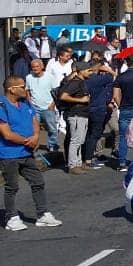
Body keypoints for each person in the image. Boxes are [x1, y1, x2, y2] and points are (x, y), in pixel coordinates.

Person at [1, 75, 61, 231]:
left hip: (27, 153)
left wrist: (35, 137)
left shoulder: (25, 103)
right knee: (12, 186)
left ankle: (42, 214)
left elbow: (35, 121)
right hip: (9, 154)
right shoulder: (3, 106)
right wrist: (27, 141)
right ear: (12, 89)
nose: (25, 89)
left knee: (38, 182)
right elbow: (7, 134)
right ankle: (11, 217)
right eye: (22, 87)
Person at [57, 62, 93, 174]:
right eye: (88, 70)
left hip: (83, 114)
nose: (90, 73)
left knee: (80, 140)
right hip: (76, 115)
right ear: (81, 71)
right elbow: (63, 96)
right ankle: (72, 165)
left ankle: (78, 163)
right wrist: (81, 100)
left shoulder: (81, 82)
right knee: (76, 140)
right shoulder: (75, 83)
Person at [82, 60, 116, 169]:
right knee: (95, 134)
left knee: (88, 133)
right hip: (98, 109)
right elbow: (114, 76)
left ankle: (86, 157)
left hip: (87, 108)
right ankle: (88, 160)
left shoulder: (86, 79)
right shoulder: (99, 79)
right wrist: (109, 70)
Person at [24, 59, 59, 155]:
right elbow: (27, 91)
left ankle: (52, 145)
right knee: (34, 128)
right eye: (33, 67)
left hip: (48, 106)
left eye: (37, 66)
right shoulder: (29, 77)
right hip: (34, 107)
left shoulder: (50, 77)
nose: (35, 69)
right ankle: (33, 145)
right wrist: (29, 102)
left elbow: (56, 92)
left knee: (52, 128)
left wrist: (53, 104)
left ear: (42, 66)